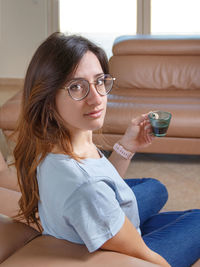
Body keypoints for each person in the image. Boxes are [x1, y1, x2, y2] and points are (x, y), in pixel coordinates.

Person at [13, 32, 200, 267]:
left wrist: (126, 147)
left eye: (99, 81)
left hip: (91, 221)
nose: (96, 98)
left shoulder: (55, 144)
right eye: (76, 86)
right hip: (110, 243)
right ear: (48, 99)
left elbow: (100, 182)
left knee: (155, 188)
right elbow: (146, 258)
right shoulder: (86, 188)